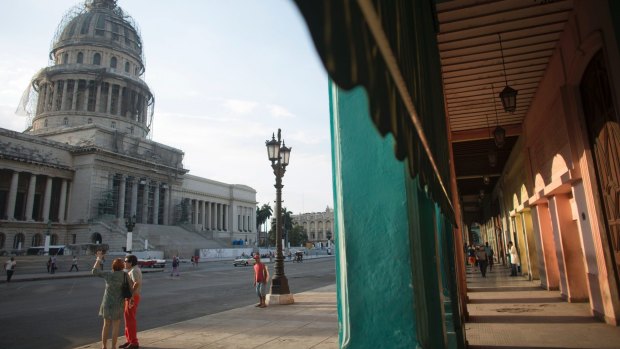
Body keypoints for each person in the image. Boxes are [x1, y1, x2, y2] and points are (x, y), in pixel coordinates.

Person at [92, 251, 125, 349]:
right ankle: (113, 347)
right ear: (122, 266)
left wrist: (98, 259)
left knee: (106, 325)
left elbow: (94, 271)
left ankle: (104, 346)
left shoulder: (108, 274)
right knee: (116, 326)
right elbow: (131, 288)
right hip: (118, 303)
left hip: (107, 303)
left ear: (113, 266)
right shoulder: (125, 275)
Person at [120, 254, 142, 349]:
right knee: (128, 319)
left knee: (130, 319)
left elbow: (136, 283)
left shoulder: (133, 271)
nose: (124, 263)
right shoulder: (134, 270)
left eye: (126, 261)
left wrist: (132, 296)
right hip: (131, 297)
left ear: (131, 262)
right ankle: (129, 340)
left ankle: (133, 342)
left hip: (132, 298)